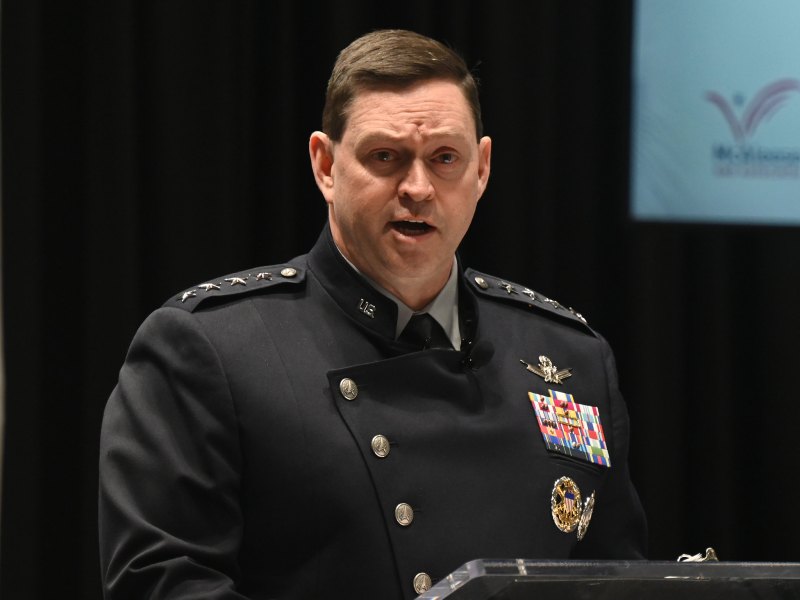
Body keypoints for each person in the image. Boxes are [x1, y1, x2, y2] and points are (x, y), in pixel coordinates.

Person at [99, 29, 647, 600]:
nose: (418, 187)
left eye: (444, 159)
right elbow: (163, 585)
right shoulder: (210, 348)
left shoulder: (572, 357)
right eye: (386, 157)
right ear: (325, 164)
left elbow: (614, 583)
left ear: (481, 168)